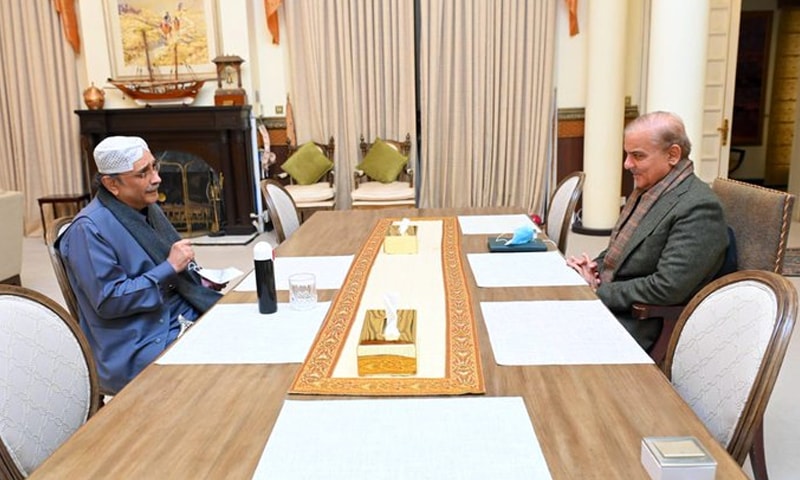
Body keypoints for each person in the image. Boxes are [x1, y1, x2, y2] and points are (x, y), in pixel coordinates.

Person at [59, 136, 224, 394]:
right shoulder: (87, 230)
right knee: (225, 363)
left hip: (175, 314)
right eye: (143, 173)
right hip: (140, 339)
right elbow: (109, 300)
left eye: (154, 167)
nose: (156, 178)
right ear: (112, 184)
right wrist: (169, 267)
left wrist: (199, 280)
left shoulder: (145, 207)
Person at [567, 111, 729, 350]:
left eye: (637, 156)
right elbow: (620, 251)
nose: (627, 164)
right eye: (627, 154)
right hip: (619, 303)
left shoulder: (698, 207)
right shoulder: (652, 189)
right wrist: (594, 269)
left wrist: (599, 290)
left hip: (641, 322)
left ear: (673, 154)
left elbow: (667, 287)